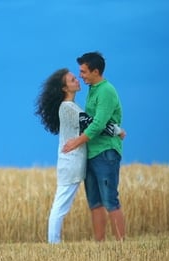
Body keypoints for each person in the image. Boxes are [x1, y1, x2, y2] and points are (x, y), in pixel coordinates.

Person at [35, 68, 125, 244]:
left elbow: (92, 123)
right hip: (71, 165)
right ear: (65, 88)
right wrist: (118, 131)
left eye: (76, 77)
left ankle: (54, 242)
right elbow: (95, 124)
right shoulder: (68, 108)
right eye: (72, 80)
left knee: (61, 204)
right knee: (61, 206)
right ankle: (53, 243)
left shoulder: (72, 107)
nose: (77, 80)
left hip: (73, 164)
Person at [63, 51, 126, 241]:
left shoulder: (106, 91)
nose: (80, 75)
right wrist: (118, 130)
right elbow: (90, 120)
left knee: (110, 200)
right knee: (95, 202)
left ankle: (121, 245)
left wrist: (76, 142)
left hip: (106, 152)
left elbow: (98, 124)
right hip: (91, 153)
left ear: (96, 71)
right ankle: (99, 244)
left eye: (83, 71)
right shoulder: (93, 89)